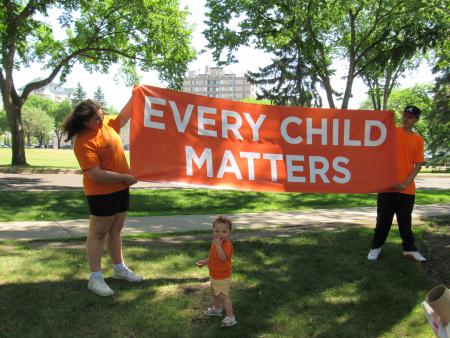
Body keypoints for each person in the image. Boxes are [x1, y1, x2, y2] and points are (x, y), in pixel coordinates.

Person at [63, 98, 142, 296]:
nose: (101, 120)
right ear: (84, 122)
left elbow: (123, 116)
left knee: (116, 230)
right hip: (101, 193)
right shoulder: (83, 142)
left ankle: (119, 269)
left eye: (102, 115)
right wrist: (125, 177)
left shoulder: (106, 123)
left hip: (121, 189)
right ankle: (95, 277)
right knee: (97, 234)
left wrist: (137, 95)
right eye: (96, 119)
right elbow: (95, 174)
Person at [367, 105, 427, 262]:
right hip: (388, 186)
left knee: (405, 221)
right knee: (383, 220)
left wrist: (405, 183)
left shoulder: (418, 140)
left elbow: (418, 165)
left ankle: (409, 249)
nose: (406, 119)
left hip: (407, 189)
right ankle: (376, 247)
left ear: (416, 120)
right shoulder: (391, 132)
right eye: (405, 115)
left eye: (410, 117)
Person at [196, 216, 237, 327]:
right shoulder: (215, 243)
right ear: (213, 231)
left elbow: (223, 257)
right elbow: (213, 257)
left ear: (229, 233)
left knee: (223, 296)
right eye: (217, 231)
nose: (220, 234)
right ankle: (217, 309)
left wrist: (218, 245)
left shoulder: (227, 245)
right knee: (214, 293)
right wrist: (205, 262)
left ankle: (230, 317)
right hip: (214, 274)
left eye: (224, 231)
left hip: (223, 276)